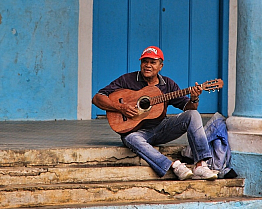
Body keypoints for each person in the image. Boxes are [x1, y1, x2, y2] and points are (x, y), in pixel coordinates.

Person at [92, 46, 217, 180]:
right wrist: (120, 107)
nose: (148, 65)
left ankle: (201, 165)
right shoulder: (127, 80)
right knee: (129, 138)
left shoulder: (168, 84)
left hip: (162, 129)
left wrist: (194, 98)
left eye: (153, 62)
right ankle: (173, 165)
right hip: (138, 132)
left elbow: (188, 107)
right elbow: (98, 98)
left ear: (160, 66)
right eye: (145, 61)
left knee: (193, 114)